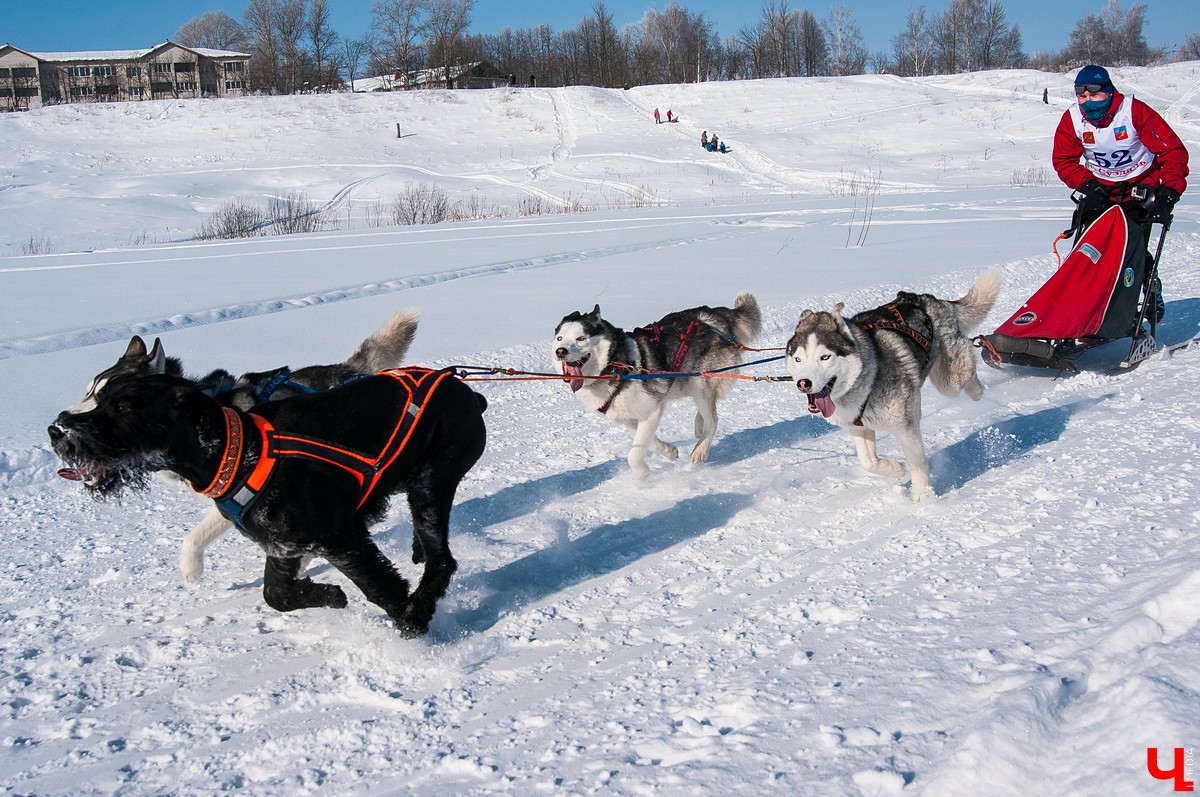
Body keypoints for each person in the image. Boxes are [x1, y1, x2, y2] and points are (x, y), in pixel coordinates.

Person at [1052, 65, 1189, 322]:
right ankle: (1084, 309)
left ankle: (1149, 288)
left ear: (1108, 91)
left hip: (1139, 190)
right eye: (1082, 96)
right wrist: (1087, 183)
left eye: (1094, 95)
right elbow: (1063, 160)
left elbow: (1172, 152)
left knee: (1131, 249)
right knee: (1090, 250)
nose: (1088, 102)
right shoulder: (1073, 119)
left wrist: (1170, 190)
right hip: (1101, 190)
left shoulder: (1134, 112)